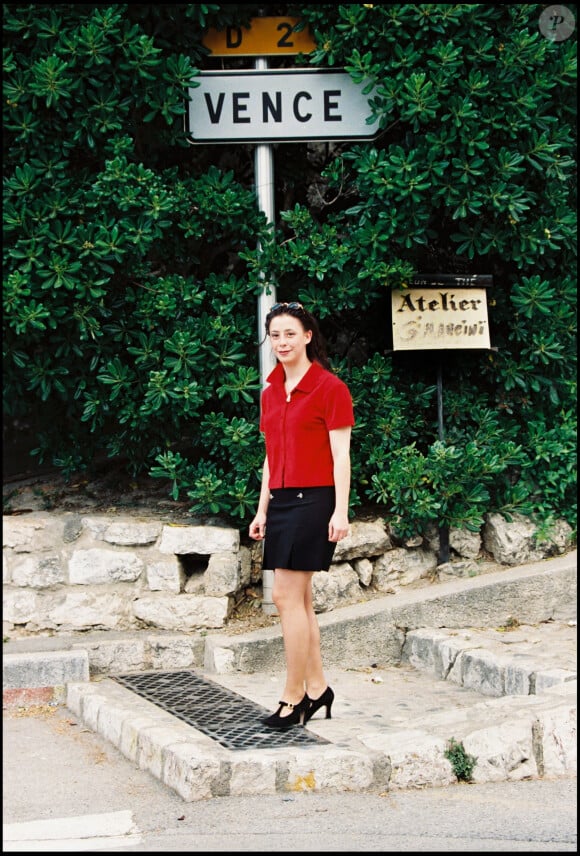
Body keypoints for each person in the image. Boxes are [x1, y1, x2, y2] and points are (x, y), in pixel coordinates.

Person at [249, 301, 355, 730]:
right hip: (281, 502)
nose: (282, 342)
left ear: (308, 336)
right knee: (301, 602)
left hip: (315, 501)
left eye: (290, 333)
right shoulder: (270, 393)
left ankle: (293, 699)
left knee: (284, 597)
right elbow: (271, 458)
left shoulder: (331, 389)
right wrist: (262, 509)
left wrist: (341, 511)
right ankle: (318, 689)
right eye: (275, 335)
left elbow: (341, 455)